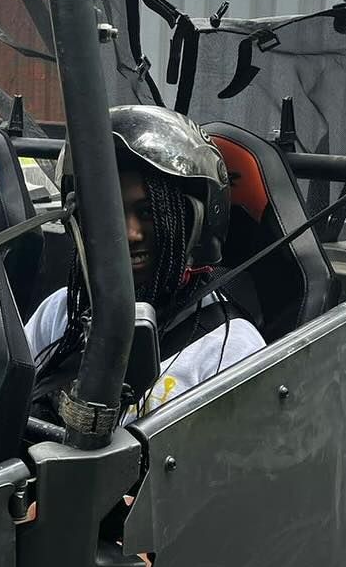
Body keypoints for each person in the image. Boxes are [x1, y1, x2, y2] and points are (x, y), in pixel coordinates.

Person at [28, 105, 264, 422]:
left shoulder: (228, 348)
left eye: (150, 212)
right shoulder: (62, 312)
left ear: (194, 222)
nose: (129, 233)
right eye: (109, 214)